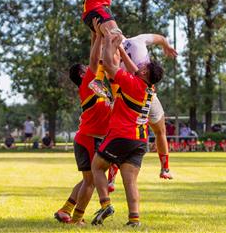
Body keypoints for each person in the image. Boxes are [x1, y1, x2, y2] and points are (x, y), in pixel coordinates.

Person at [91, 33, 164, 227]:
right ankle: (134, 219)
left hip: (121, 135)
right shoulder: (149, 87)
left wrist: (108, 43)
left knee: (97, 167)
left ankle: (105, 204)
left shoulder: (133, 84)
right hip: (140, 140)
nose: (141, 64)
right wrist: (121, 49)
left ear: (144, 74)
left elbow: (108, 65)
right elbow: (134, 70)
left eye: (144, 66)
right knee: (130, 181)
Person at [107, 33, 178, 191]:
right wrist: (166, 46)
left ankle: (111, 179)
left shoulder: (113, 48)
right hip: (146, 96)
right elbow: (159, 38)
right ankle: (165, 168)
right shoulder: (137, 41)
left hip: (125, 95)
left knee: (121, 134)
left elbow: (111, 71)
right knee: (160, 132)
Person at [54, 33, 113, 225]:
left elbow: (99, 59)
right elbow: (95, 59)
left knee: (89, 179)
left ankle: (66, 210)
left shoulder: (98, 85)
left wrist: (96, 35)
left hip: (93, 138)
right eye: (86, 69)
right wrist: (98, 38)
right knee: (91, 181)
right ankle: (77, 219)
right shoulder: (88, 84)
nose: (90, 68)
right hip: (88, 139)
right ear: (82, 74)